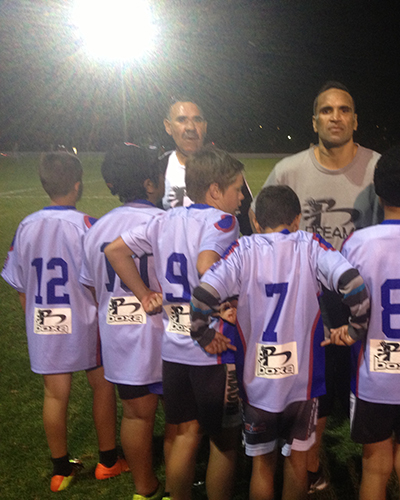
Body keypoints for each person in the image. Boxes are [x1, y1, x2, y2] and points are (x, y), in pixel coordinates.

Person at [189, 184, 370, 500]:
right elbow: (354, 285)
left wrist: (204, 335)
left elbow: (203, 294)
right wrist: (355, 330)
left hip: (258, 383)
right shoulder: (311, 245)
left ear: (256, 222)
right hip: (302, 382)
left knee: (262, 466)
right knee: (297, 461)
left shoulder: (243, 250)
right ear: (298, 219)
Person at [255, 81, 382, 491]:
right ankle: (308, 467)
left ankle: (379, 463)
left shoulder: (379, 167)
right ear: (314, 121)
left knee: (371, 387)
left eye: (344, 110)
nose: (336, 117)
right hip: (307, 302)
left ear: (355, 119)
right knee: (314, 393)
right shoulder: (288, 170)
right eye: (327, 110)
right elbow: (262, 230)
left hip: (363, 296)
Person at [104, 146, 245, 500]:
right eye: (238, 189)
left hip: (173, 348)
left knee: (184, 433)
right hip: (212, 348)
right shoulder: (223, 221)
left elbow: (115, 251)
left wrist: (144, 293)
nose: (242, 197)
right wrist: (227, 301)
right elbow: (206, 267)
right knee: (224, 442)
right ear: (215, 190)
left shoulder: (163, 219)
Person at [1, 152, 125, 492]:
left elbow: (19, 282)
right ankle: (108, 461)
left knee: (55, 395)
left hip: (44, 319)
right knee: (102, 385)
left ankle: (60, 470)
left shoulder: (26, 225)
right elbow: (100, 280)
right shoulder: (87, 225)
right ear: (77, 183)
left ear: (44, 184)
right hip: (84, 320)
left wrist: (32, 316)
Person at [335, 146, 400, 500]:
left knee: (374, 466)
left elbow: (342, 301)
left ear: (378, 192)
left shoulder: (357, 243)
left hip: (372, 378)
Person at [79, 143, 170, 500]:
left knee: (135, 415)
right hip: (165, 332)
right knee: (179, 418)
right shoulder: (163, 222)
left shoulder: (96, 229)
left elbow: (91, 290)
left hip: (119, 335)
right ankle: (181, 482)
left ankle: (144, 489)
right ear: (150, 183)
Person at [161, 97, 254, 235]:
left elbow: (249, 227)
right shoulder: (159, 169)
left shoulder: (227, 168)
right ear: (168, 126)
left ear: (205, 126)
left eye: (197, 120)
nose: (191, 127)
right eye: (182, 120)